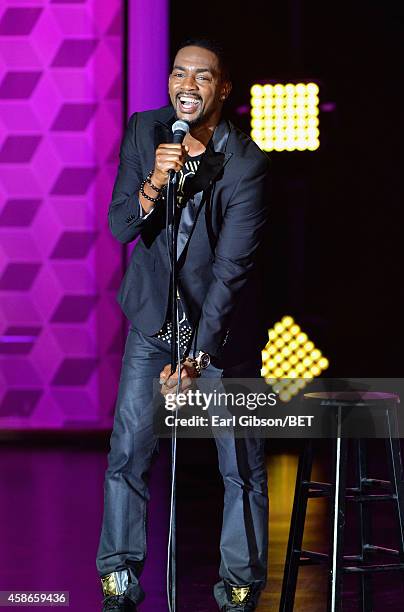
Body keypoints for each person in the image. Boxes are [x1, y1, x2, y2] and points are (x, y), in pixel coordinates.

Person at [96, 38, 270, 612]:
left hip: (220, 333)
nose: (186, 86)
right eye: (178, 74)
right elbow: (122, 227)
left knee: (239, 463)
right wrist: (152, 182)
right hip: (153, 321)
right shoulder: (147, 132)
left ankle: (239, 585)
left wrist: (196, 356)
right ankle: (118, 576)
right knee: (128, 450)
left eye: (202, 77)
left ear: (222, 89)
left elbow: (230, 271)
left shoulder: (244, 164)